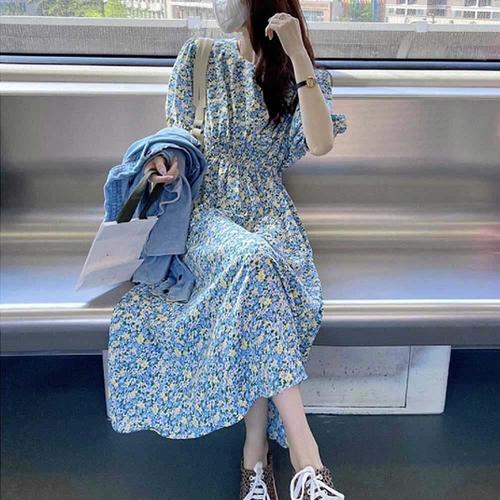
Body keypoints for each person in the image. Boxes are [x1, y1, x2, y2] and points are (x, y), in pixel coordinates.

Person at [107, 1, 347, 498]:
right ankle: (306, 460)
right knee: (253, 263)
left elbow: (320, 142)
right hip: (207, 215)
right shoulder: (199, 57)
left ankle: (254, 457)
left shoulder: (291, 69)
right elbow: (179, 134)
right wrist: (167, 160)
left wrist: (299, 54)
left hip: (269, 213)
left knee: (258, 281)